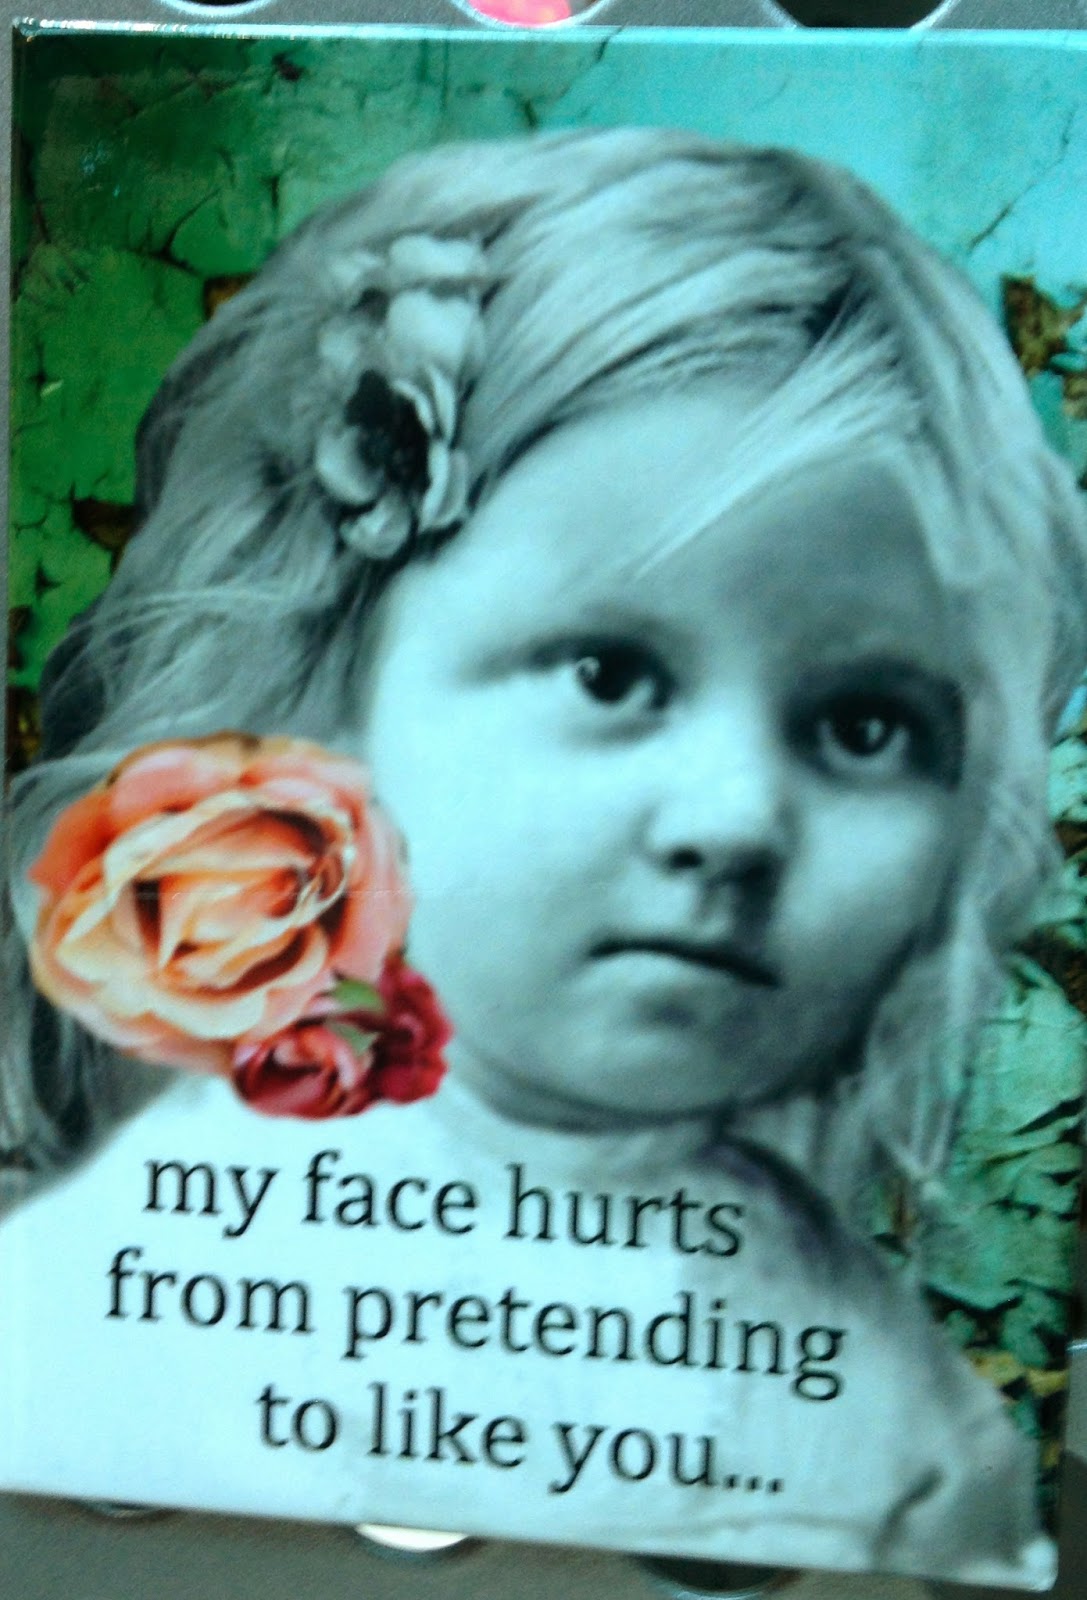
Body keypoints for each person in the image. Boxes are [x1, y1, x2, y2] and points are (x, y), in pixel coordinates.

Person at [1, 129, 1084, 1585]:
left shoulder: (893, 1418)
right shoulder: (98, 1293)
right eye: (609, 672)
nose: (736, 820)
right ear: (335, 673)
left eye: (866, 725)